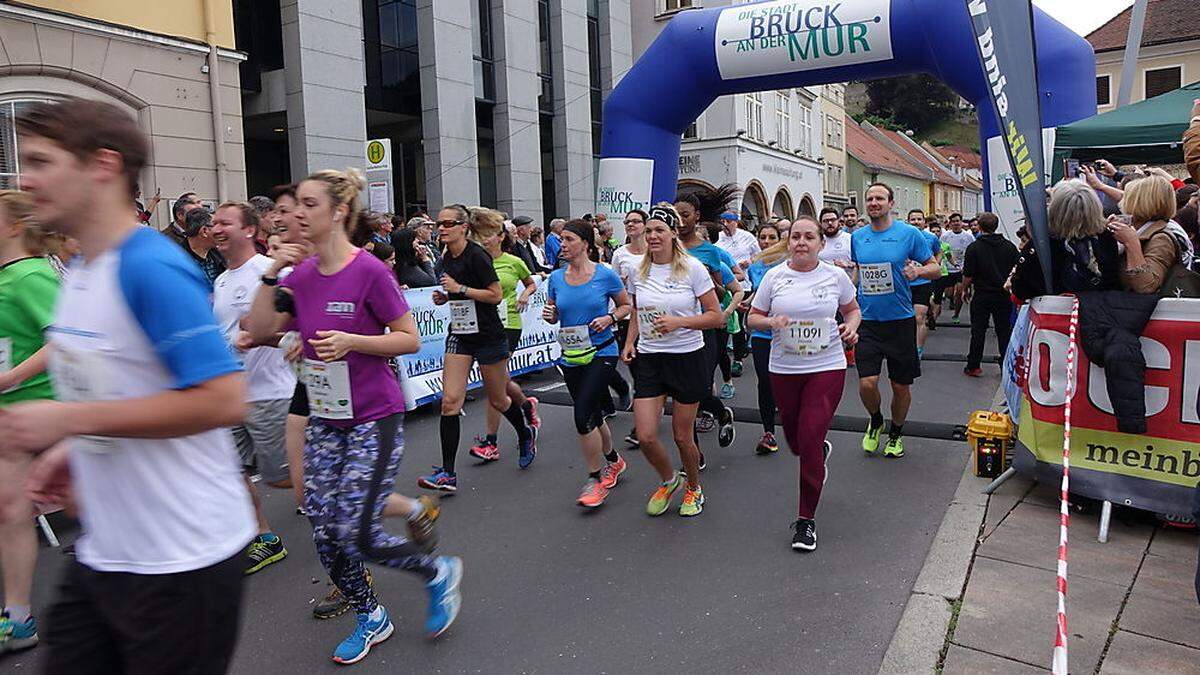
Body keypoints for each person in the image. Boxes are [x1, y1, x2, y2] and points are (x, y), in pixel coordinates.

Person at [5, 97, 254, 672]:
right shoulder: (82, 269)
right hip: (107, 553)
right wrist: (75, 448)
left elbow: (223, 398)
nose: (25, 178)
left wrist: (69, 422)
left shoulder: (150, 265)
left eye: (42, 161)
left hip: (183, 561)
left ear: (103, 166)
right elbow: (117, 389)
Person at [245, 168, 462, 664]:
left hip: (374, 415)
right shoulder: (298, 275)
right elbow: (259, 329)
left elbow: (407, 338)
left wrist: (352, 341)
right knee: (324, 527)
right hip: (326, 416)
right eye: (294, 203)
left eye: (308, 204)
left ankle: (437, 572)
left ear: (339, 212)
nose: (296, 213)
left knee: (356, 530)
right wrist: (270, 272)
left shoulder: (369, 271)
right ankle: (371, 616)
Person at [747, 216, 861, 551]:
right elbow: (751, 316)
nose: (801, 242)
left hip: (826, 365)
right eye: (795, 236)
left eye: (808, 237)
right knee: (796, 441)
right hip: (784, 367)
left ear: (820, 244)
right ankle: (815, 451)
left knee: (809, 439)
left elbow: (852, 310)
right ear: (788, 242)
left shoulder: (835, 275)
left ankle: (805, 520)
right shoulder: (774, 276)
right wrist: (770, 321)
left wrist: (851, 327)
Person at [418, 205, 539, 492]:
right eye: (439, 223)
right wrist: (445, 297)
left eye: (448, 223)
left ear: (463, 227)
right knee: (449, 402)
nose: (442, 228)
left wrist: (459, 290)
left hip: (488, 335)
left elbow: (495, 295)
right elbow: (457, 293)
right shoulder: (447, 256)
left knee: (498, 400)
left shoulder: (477, 256)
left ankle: (524, 433)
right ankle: (447, 473)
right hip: (460, 333)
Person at [622, 204, 724, 517]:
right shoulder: (638, 269)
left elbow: (715, 316)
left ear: (672, 234)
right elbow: (637, 310)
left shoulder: (692, 268)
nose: (652, 235)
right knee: (646, 435)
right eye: (648, 229)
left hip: (687, 357)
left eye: (659, 230)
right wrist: (629, 342)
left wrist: (679, 322)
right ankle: (669, 480)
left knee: (682, 436)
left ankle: (693, 486)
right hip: (651, 358)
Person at [210, 201, 293, 574]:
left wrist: (260, 336)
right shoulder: (222, 280)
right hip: (233, 395)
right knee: (231, 470)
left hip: (272, 392)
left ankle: (345, 499)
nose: (215, 227)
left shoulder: (268, 271)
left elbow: (296, 333)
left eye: (224, 222)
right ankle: (264, 537)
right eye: (213, 222)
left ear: (248, 230)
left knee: (285, 478)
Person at [0, 190, 58, 655]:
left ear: (16, 226)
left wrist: (11, 378)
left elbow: (64, 339)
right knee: (11, 512)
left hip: (48, 411)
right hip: (11, 417)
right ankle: (18, 617)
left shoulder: (32, 274)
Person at [544, 220, 632, 507]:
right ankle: (614, 461)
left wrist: (610, 318)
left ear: (585, 243)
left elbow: (625, 305)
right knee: (593, 413)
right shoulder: (556, 278)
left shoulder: (605, 275)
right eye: (561, 240)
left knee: (582, 416)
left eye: (568, 239)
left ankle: (594, 481)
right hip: (572, 355)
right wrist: (550, 315)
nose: (563, 245)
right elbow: (556, 314)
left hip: (602, 352)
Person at [852, 183, 940, 458]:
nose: (873, 202)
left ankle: (896, 433)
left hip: (900, 322)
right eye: (869, 198)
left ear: (891, 203)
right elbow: (858, 271)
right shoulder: (858, 237)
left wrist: (919, 271)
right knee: (867, 383)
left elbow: (936, 268)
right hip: (868, 321)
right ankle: (876, 420)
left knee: (900, 386)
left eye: (879, 198)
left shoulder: (909, 234)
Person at [674, 186, 741, 451]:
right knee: (682, 392)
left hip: (704, 327)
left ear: (697, 216)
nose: (680, 221)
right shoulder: (664, 248)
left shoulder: (710, 252)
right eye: (675, 215)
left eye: (685, 215)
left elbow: (722, 292)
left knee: (700, 388)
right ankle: (695, 453)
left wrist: (704, 280)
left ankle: (721, 412)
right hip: (675, 327)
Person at [469, 220, 540, 462]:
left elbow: (531, 283)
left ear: (500, 237)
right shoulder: (475, 261)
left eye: (489, 235)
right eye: (480, 235)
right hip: (483, 325)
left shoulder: (513, 261)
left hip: (508, 324)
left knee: (494, 385)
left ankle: (491, 442)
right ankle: (526, 405)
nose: (484, 239)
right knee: (502, 380)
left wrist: (524, 293)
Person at [1010, 180, 1121, 300]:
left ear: (1054, 210)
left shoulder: (1043, 245)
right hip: (1100, 311)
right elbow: (1111, 278)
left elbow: (1020, 291)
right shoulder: (1105, 237)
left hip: (1056, 314)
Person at [962, 213, 1019, 376]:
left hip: (982, 294)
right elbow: (1016, 270)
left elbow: (968, 274)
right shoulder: (1009, 246)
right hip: (1003, 294)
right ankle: (1006, 365)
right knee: (1004, 331)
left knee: (978, 330)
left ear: (979, 226)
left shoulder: (974, 248)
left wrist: (964, 289)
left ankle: (974, 365)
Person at [744, 222, 784, 454]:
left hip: (787, 333)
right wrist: (747, 303)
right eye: (762, 237)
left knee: (787, 381)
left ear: (780, 240)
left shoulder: (789, 265)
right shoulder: (756, 266)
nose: (766, 242)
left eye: (771, 238)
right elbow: (759, 293)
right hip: (761, 332)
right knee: (765, 381)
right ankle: (769, 432)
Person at [1109, 175, 1185, 295]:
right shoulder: (1143, 230)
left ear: (1139, 202)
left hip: (1144, 310)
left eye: (1128, 197)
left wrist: (1131, 243)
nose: (1123, 202)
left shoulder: (1161, 238)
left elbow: (1146, 285)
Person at [612, 208, 648, 447]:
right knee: (638, 371)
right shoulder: (620, 254)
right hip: (629, 319)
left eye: (635, 221)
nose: (630, 225)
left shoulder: (656, 252)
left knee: (652, 372)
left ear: (645, 225)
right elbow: (612, 286)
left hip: (656, 319)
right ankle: (643, 421)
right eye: (627, 222)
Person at [905, 209, 941, 358]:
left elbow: (938, 252)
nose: (916, 222)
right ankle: (906, 346)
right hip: (905, 284)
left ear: (924, 222)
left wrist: (932, 267)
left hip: (923, 282)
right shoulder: (903, 237)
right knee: (905, 319)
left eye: (919, 219)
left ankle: (918, 350)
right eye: (913, 219)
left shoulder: (931, 237)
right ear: (908, 222)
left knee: (919, 317)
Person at [940, 213, 974, 323]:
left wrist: (968, 267)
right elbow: (941, 251)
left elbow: (972, 252)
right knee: (949, 293)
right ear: (950, 224)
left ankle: (956, 315)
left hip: (962, 269)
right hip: (948, 268)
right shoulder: (945, 236)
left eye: (957, 221)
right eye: (953, 221)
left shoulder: (968, 237)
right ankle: (951, 299)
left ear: (961, 222)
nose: (956, 223)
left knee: (959, 293)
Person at [181, 207, 227, 288]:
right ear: (204, 231)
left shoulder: (220, 255)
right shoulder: (178, 260)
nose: (222, 231)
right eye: (216, 225)